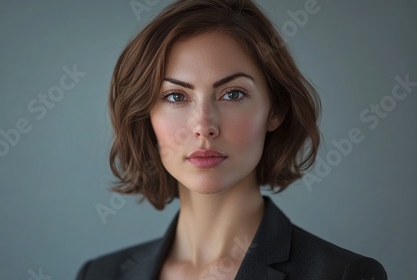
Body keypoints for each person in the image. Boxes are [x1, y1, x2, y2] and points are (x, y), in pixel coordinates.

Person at [77, 0, 387, 279]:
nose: (203, 126)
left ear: (275, 109)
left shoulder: (344, 275)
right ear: (146, 116)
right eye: (175, 96)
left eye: (233, 94)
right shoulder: (100, 274)